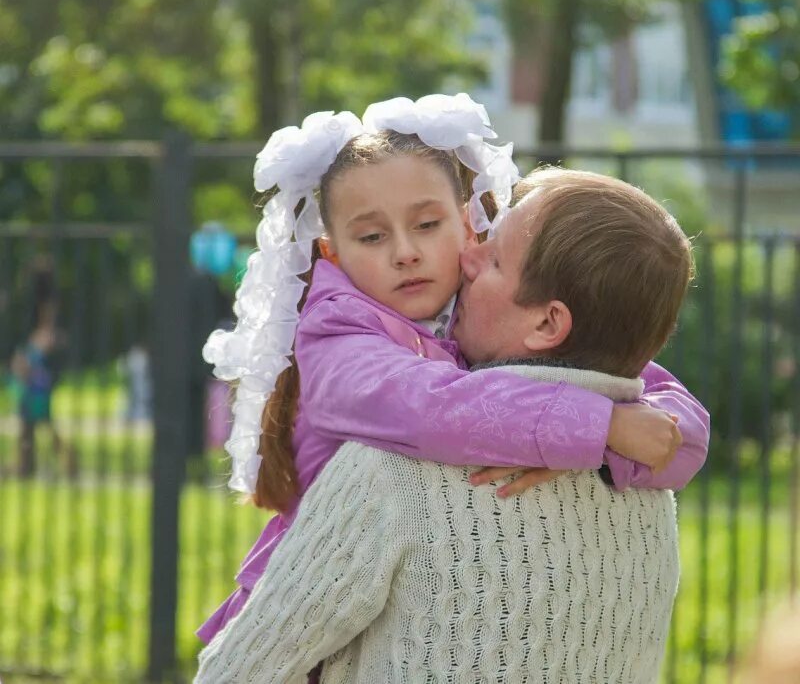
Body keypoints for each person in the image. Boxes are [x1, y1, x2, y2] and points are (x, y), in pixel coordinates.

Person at [197, 95, 709, 649]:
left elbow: (649, 398)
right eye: (372, 236)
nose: (406, 252)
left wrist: (631, 432)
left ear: (467, 226)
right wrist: (599, 428)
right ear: (333, 253)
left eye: (426, 223)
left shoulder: (473, 314)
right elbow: (427, 407)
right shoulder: (337, 335)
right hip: (316, 625)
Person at [10, 260, 75, 477]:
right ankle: (27, 464)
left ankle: (63, 463)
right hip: (39, 367)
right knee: (34, 420)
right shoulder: (46, 302)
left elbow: (46, 334)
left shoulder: (46, 303)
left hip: (37, 367)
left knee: (39, 419)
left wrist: (28, 357)